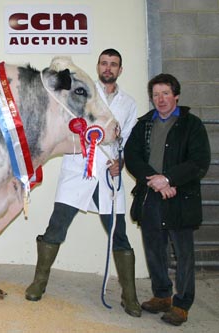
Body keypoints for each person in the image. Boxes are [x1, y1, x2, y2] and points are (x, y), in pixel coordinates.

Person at [25, 48, 141, 317]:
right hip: (78, 168)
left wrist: (121, 162)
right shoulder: (82, 91)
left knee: (119, 234)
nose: (108, 68)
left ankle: (130, 296)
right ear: (98, 66)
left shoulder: (129, 103)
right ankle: (39, 282)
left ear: (120, 70)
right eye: (104, 63)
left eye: (113, 64)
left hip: (108, 174)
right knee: (56, 228)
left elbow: (129, 142)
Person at [124, 74, 210, 326]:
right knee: (154, 250)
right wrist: (155, 180)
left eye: (165, 94)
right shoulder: (143, 125)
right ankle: (162, 296)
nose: (160, 99)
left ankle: (181, 304)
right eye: (155, 94)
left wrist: (170, 179)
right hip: (151, 196)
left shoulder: (192, 125)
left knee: (184, 255)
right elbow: (132, 156)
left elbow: (199, 162)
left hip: (180, 197)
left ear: (176, 96)